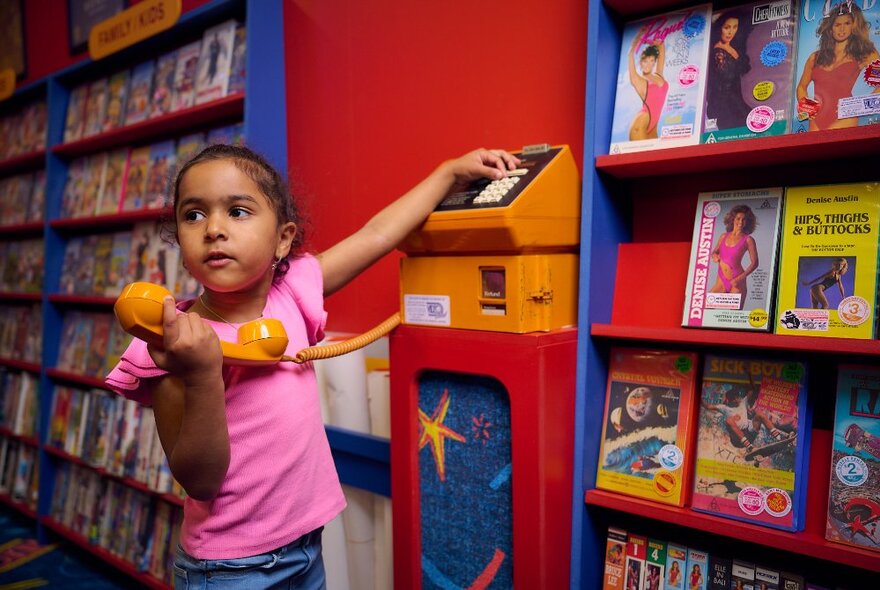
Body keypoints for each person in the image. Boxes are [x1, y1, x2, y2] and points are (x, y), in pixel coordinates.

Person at [105, 143, 521, 588]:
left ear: (283, 239)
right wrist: (204, 374)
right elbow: (199, 480)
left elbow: (378, 234)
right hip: (229, 569)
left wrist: (448, 173)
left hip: (306, 545)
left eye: (238, 211)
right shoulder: (168, 344)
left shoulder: (293, 294)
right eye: (193, 215)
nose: (214, 230)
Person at [796, 2, 879, 131]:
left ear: (854, 26)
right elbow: (802, 86)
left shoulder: (864, 53)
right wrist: (808, 108)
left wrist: (861, 106)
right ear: (830, 28)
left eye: (847, 23)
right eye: (837, 24)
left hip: (845, 117)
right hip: (817, 120)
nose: (842, 29)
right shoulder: (815, 57)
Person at [702, 381, 789, 454]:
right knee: (729, 420)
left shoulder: (743, 402)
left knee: (760, 415)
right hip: (737, 440)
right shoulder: (724, 408)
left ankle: (779, 437)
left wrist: (749, 373)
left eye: (739, 397)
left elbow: (752, 389)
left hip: (749, 434)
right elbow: (708, 406)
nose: (739, 399)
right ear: (733, 399)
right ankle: (749, 447)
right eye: (737, 398)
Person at [706, 10, 752, 130]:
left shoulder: (731, 47)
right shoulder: (718, 52)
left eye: (735, 27)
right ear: (719, 28)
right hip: (726, 107)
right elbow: (727, 79)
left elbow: (744, 69)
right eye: (727, 27)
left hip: (736, 102)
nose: (731, 32)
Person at [709, 204, 759, 309]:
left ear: (747, 222)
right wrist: (714, 256)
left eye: (744, 219)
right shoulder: (723, 236)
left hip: (737, 283)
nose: (740, 222)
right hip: (721, 281)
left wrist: (739, 279)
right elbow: (715, 252)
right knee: (706, 307)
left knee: (733, 317)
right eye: (738, 218)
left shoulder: (748, 240)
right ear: (733, 219)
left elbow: (755, 263)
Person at [628, 26, 668, 140]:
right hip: (640, 126)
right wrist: (639, 36)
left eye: (651, 60)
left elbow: (661, 46)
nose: (648, 64)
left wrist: (651, 39)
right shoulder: (639, 81)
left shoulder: (659, 74)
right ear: (640, 62)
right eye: (645, 61)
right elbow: (630, 54)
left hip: (653, 128)